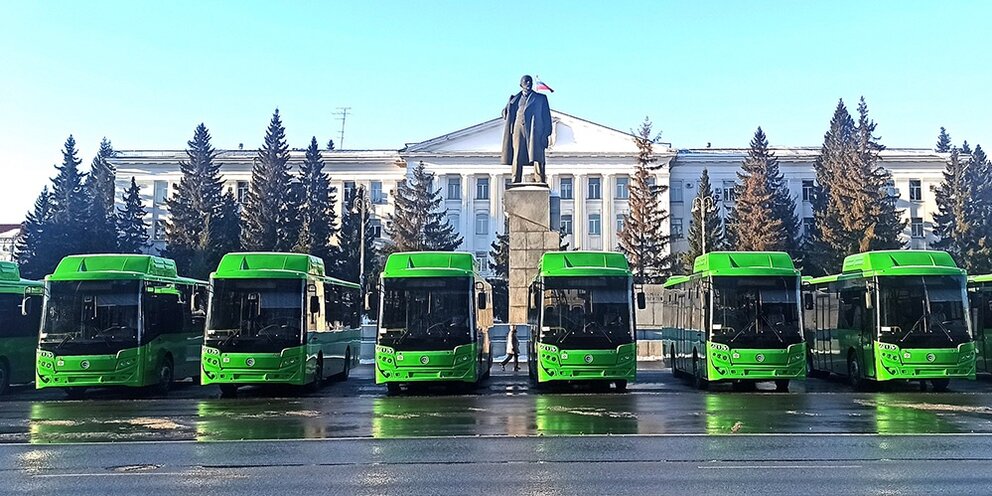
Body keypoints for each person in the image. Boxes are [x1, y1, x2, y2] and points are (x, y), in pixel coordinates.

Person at [501, 75, 552, 184]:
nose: (528, 83)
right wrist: (507, 108)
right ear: (521, 85)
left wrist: (546, 133)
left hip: (535, 130)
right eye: (525, 81)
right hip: (518, 129)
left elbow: (547, 117)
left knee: (537, 155)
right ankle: (516, 179)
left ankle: (539, 179)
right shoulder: (514, 99)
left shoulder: (540, 98)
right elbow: (505, 114)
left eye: (530, 81)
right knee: (517, 154)